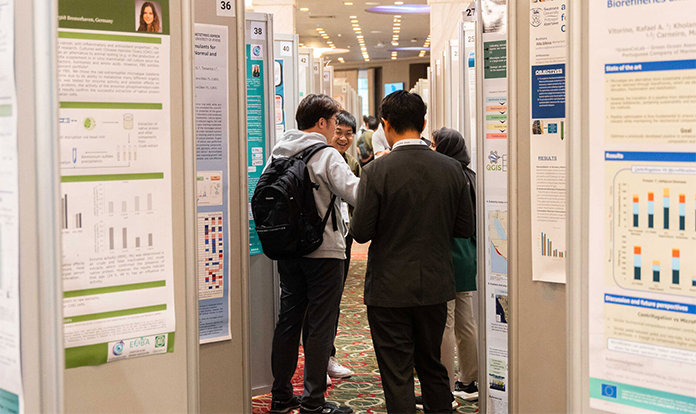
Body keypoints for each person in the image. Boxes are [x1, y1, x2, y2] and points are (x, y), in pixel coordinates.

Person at [350, 91, 475, 414]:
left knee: (397, 372)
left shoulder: (376, 171)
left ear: (386, 124)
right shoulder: (452, 169)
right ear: (423, 123)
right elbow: (464, 227)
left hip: (388, 288)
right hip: (436, 283)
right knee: (431, 363)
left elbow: (361, 232)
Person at [268, 95, 358, 414]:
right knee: (320, 324)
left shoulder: (278, 152)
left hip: (288, 250)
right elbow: (355, 192)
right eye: (333, 122)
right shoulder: (326, 154)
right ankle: (314, 402)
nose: (335, 128)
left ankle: (281, 395)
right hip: (324, 252)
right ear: (321, 122)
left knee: (289, 320)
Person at [417, 128, 479, 410]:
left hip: (447, 253)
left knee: (444, 324)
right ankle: (469, 381)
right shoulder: (471, 175)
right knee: (466, 322)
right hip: (467, 254)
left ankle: (443, 390)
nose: (431, 148)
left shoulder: (447, 175)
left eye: (434, 144)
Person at [323, 110, 361, 380]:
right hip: (320, 238)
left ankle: (328, 356)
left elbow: (358, 201)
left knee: (334, 298)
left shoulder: (352, 163)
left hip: (343, 237)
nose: (343, 138)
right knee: (319, 302)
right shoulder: (320, 158)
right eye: (339, 132)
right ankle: (318, 360)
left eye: (349, 133)